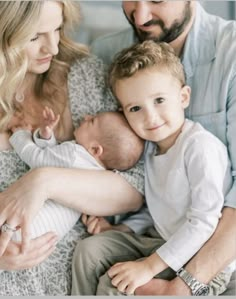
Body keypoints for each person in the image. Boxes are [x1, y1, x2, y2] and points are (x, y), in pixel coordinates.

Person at [89, 1, 236, 296]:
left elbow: (205, 218)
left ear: (184, 96)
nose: (140, 18)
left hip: (214, 254)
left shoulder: (230, 52)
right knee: (90, 254)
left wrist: (182, 286)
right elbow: (159, 196)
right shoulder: (104, 55)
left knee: (113, 287)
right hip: (162, 237)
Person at [0, 1, 144, 295]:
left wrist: (42, 181)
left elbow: (134, 188)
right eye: (34, 37)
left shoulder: (84, 75)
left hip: (81, 280)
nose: (52, 48)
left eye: (57, 28)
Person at [8, 107, 144, 241]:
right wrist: (46, 136)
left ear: (95, 149)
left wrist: (21, 135)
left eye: (92, 121)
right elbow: (54, 160)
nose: (86, 117)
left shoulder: (73, 153)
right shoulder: (97, 178)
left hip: (23, 220)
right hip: (41, 235)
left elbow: (37, 159)